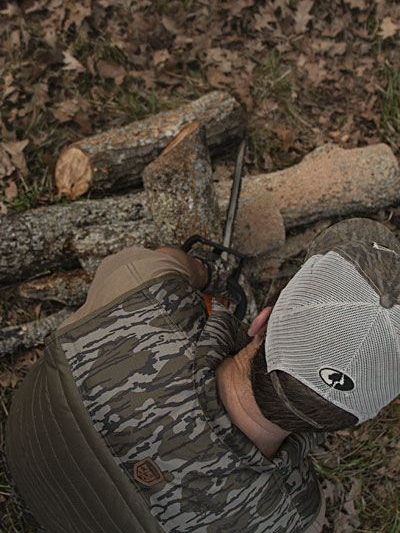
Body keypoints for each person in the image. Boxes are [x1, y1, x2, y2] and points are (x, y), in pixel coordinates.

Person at [4, 217, 400, 533]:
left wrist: (202, 272)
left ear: (262, 320)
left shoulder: (142, 290)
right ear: (352, 419)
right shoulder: (295, 515)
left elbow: (168, 259)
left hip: (22, 451)